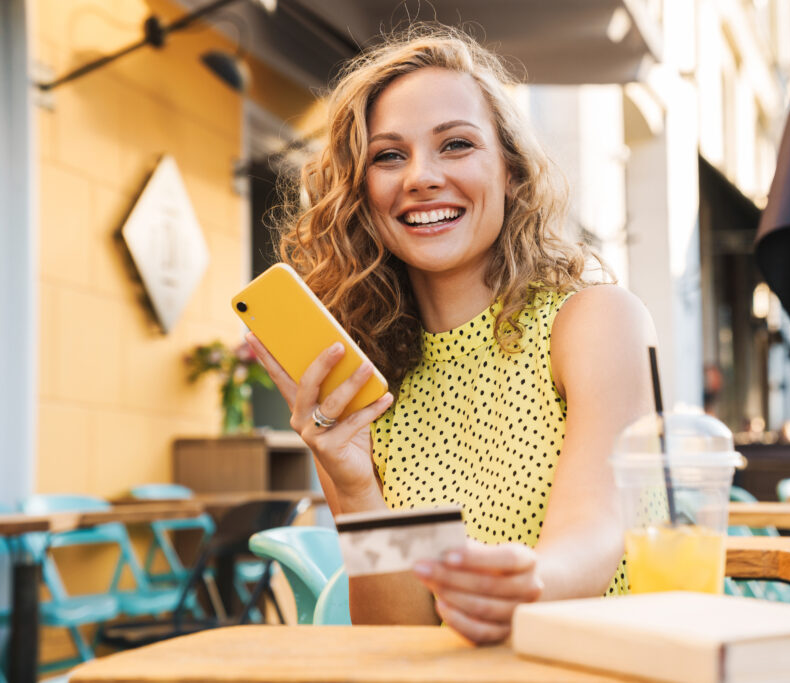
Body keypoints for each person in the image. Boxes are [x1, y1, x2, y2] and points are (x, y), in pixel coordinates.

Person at [246, 26, 656, 644]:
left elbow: (597, 535)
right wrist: (354, 487)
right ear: (362, 195)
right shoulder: (363, 385)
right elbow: (399, 630)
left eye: (456, 145)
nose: (420, 177)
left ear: (512, 172)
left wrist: (519, 584)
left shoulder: (595, 322)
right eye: (388, 156)